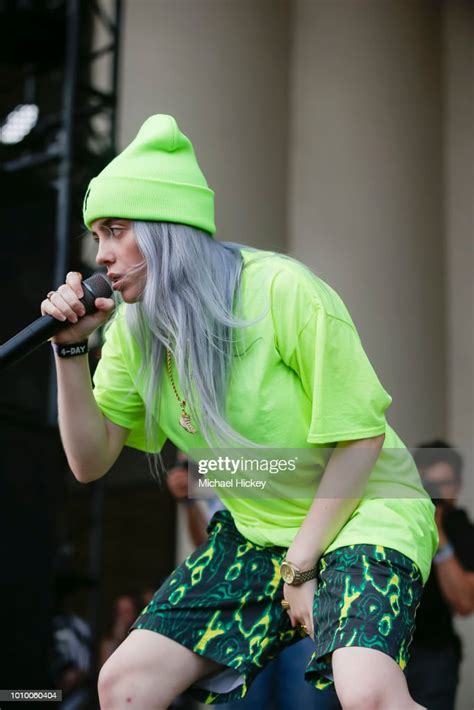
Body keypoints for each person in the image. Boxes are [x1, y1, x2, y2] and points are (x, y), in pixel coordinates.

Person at [41, 114, 438, 710]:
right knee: (123, 684)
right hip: (258, 535)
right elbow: (90, 462)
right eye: (97, 236)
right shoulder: (132, 331)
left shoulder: (282, 290)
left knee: (368, 692)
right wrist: (72, 351)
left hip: (365, 511)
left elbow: (362, 438)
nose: (103, 256)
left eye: (117, 230)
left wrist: (301, 567)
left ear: (168, 228)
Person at [405, 441, 474, 710]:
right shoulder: (395, 520)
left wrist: (439, 534)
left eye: (442, 484)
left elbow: (465, 604)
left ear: (457, 488)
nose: (434, 495)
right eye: (427, 485)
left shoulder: (460, 527)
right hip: (385, 646)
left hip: (435, 654)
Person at [99, 594, 139, 667]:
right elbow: (105, 668)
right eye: (119, 612)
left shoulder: (140, 638)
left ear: (134, 614)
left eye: (126, 612)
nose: (121, 617)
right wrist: (116, 641)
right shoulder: (108, 641)